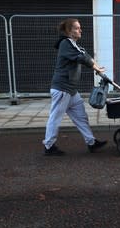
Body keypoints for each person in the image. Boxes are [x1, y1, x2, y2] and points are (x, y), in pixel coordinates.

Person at [42, 18, 107, 156]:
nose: (80, 30)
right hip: (62, 89)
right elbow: (82, 58)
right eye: (77, 28)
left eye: (79, 27)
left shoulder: (73, 44)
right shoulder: (65, 43)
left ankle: (91, 142)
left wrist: (96, 67)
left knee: (81, 116)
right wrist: (96, 68)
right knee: (55, 118)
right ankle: (49, 146)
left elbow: (85, 54)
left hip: (71, 90)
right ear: (68, 31)